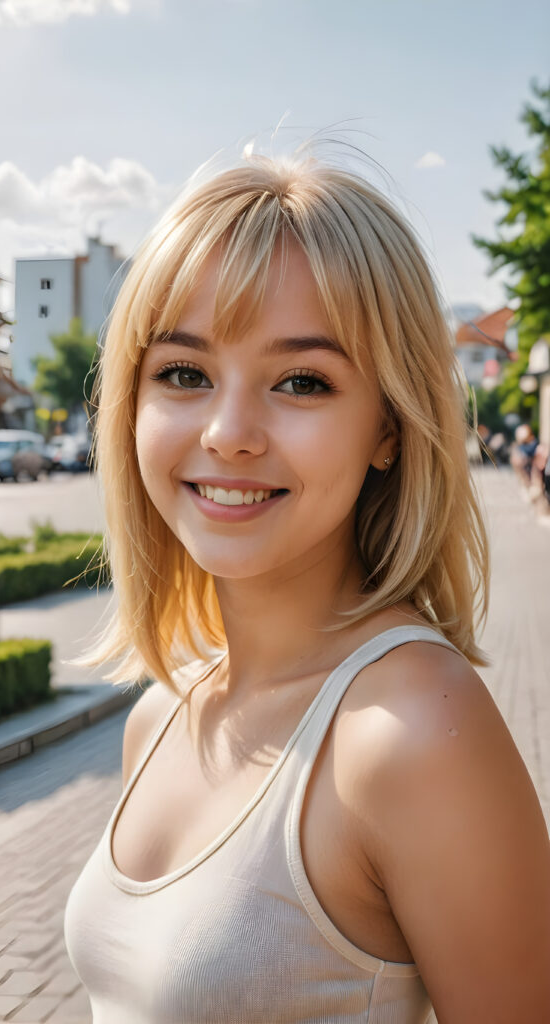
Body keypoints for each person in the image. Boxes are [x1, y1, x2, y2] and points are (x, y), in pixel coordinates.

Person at [64, 152, 550, 1024]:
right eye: (184, 372)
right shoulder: (160, 714)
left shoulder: (414, 732)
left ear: (390, 429)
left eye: (302, 382)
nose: (229, 432)